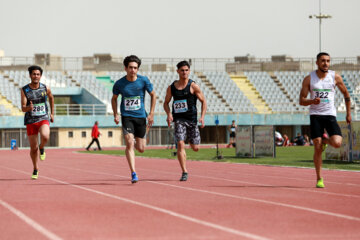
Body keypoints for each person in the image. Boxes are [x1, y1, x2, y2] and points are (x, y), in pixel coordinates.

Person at [299, 52, 352, 188]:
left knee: (337, 143)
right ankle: (319, 178)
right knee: (317, 146)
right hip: (316, 115)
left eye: (328, 61)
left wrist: (348, 113)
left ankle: (325, 141)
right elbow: (301, 100)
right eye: (323, 61)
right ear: (317, 62)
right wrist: (312, 101)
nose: (326, 63)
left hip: (330, 115)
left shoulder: (335, 77)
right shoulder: (309, 79)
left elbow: (346, 94)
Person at [111, 55, 156, 183]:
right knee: (129, 142)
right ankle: (133, 173)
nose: (133, 70)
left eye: (135, 68)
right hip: (127, 117)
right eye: (130, 68)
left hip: (141, 116)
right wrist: (116, 114)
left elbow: (153, 95)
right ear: (125, 68)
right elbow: (114, 99)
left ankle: (142, 133)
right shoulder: (120, 83)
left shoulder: (143, 81)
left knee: (141, 149)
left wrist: (151, 113)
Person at [163, 60, 207, 181]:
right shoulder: (172, 88)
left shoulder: (193, 86)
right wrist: (168, 114)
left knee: (195, 148)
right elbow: (166, 103)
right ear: (177, 71)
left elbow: (204, 101)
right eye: (182, 70)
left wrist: (202, 117)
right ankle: (184, 171)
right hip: (179, 120)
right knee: (180, 144)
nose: (184, 72)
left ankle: (189, 141)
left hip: (192, 120)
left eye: (186, 70)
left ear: (189, 71)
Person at [21, 65, 54, 179]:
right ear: (30, 75)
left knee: (45, 136)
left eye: (38, 74)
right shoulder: (25, 90)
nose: (36, 76)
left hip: (43, 118)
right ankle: (35, 168)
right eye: (34, 74)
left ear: (40, 76)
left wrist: (52, 113)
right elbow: (23, 108)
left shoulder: (45, 88)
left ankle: (42, 147)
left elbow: (51, 98)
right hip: (31, 120)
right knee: (33, 148)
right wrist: (28, 108)